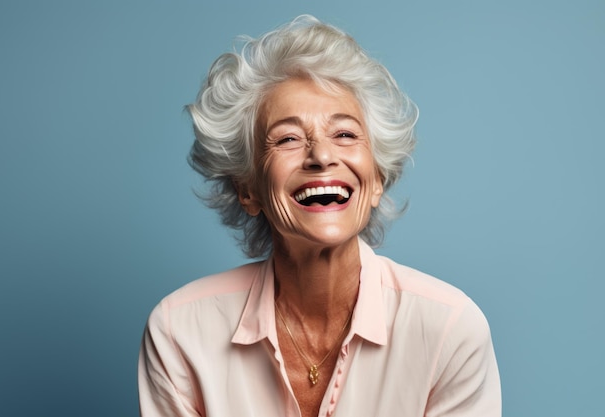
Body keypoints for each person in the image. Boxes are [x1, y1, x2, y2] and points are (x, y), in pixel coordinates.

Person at [138, 15, 501, 417]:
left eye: (344, 134)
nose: (323, 156)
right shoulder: (179, 331)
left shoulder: (450, 330)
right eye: (288, 138)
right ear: (248, 189)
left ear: (377, 179)